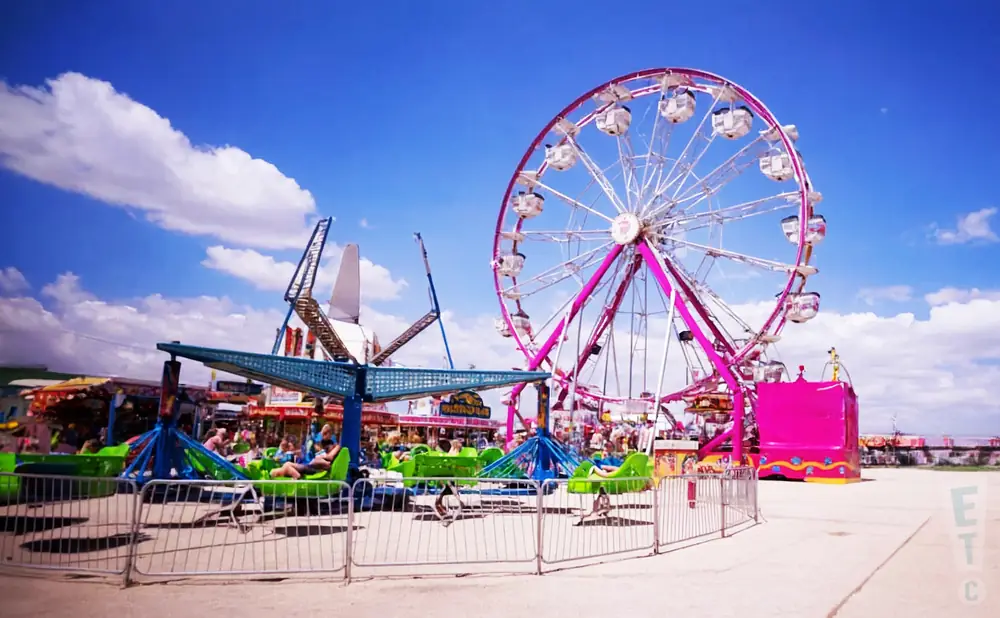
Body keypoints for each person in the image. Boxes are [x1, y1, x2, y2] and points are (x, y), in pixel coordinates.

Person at [270, 433, 341, 479]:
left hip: (309, 467)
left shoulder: (324, 454)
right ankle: (293, 476)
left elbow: (335, 451)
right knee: (286, 466)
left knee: (286, 465)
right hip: (308, 466)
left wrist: (335, 446)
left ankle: (294, 476)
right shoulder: (321, 453)